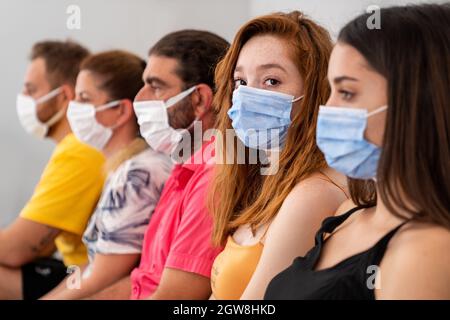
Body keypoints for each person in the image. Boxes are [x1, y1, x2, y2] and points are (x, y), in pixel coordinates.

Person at [265, 3, 450, 300]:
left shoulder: (426, 252)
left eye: (347, 92)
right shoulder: (347, 214)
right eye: (331, 91)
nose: (328, 109)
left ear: (417, 102)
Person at [208, 11, 349, 300]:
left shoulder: (314, 193)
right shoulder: (262, 180)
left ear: (315, 90)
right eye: (241, 82)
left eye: (271, 81)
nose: (248, 96)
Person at [87, 30, 230, 300]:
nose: (139, 98)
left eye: (156, 86)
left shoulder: (213, 177)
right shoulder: (183, 164)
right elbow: (141, 280)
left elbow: (174, 297)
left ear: (199, 99)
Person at [40, 50, 173, 299]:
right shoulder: (125, 167)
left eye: (84, 98)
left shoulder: (137, 174)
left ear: (121, 112)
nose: (73, 107)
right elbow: (91, 267)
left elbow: (102, 277)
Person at [0, 40, 105, 300]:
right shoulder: (76, 147)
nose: (23, 99)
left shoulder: (79, 150)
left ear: (63, 97)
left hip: (87, 278)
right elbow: (39, 245)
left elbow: (15, 249)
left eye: (30, 90)